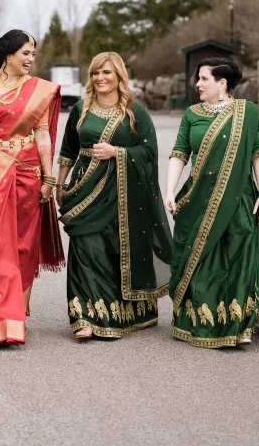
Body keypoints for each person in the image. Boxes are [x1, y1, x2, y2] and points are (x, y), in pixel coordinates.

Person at [56, 52, 172, 340]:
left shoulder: (135, 112)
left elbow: (149, 153)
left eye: (107, 73)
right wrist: (60, 184)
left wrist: (117, 152)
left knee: (113, 252)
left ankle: (115, 315)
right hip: (85, 190)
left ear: (120, 76)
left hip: (123, 195)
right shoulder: (81, 108)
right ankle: (83, 316)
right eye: (96, 73)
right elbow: (68, 149)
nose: (100, 78)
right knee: (85, 248)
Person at [164, 58, 259, 349]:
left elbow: (257, 154)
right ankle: (200, 323)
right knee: (201, 261)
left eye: (203, 79)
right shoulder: (192, 114)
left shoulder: (247, 113)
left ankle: (238, 326)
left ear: (222, 83)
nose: (197, 84)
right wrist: (169, 190)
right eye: (197, 79)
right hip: (198, 199)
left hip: (240, 199)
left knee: (239, 261)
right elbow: (179, 154)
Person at [0, 29, 64, 346]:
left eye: (33, 54)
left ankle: (15, 313)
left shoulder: (38, 90)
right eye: (26, 53)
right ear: (8, 54)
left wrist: (49, 178)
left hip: (28, 171)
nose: (31, 60)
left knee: (24, 243)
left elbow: (42, 135)